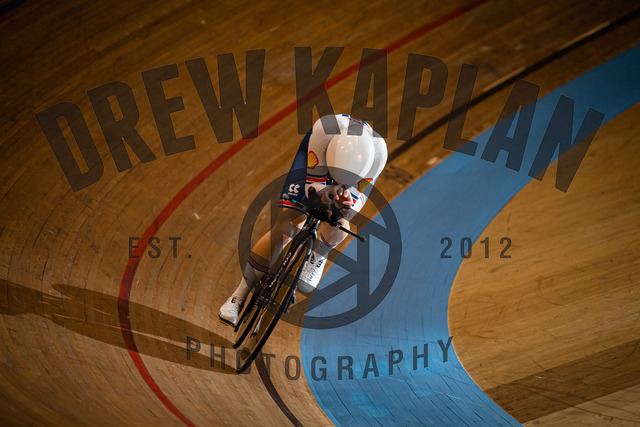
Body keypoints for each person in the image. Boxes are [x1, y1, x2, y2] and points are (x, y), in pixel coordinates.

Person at [219, 114, 388, 325]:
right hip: (317, 161)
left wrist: (343, 207)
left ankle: (319, 254)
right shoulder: (325, 129)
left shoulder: (378, 154)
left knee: (339, 224)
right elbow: (311, 190)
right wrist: (323, 192)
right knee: (287, 226)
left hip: (356, 174)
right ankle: (238, 296)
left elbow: (352, 208)